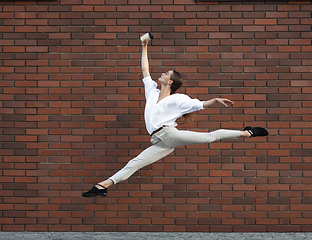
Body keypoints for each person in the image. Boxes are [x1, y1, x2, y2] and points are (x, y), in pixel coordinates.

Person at [82, 39, 268, 198]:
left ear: (170, 81)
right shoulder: (152, 92)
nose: (162, 74)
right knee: (135, 163)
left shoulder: (178, 99)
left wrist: (215, 100)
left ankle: (247, 133)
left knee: (208, 137)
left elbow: (200, 104)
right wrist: (144, 47)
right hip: (159, 140)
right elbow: (145, 70)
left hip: (168, 134)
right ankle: (102, 187)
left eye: (166, 74)